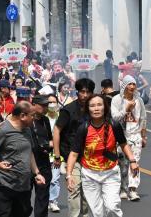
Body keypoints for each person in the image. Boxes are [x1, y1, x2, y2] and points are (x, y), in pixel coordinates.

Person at [66, 94, 139, 217]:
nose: (96, 108)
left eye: (99, 105)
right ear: (88, 109)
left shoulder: (114, 125)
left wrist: (132, 161)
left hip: (110, 173)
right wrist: (69, 175)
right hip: (89, 175)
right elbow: (73, 154)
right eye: (92, 106)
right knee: (97, 213)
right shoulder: (83, 128)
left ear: (105, 107)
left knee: (112, 208)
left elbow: (124, 144)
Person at [0, 101, 46, 217]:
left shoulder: (27, 130)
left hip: (23, 186)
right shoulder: (3, 130)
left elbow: (29, 152)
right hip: (3, 185)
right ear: (22, 116)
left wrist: (37, 173)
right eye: (32, 115)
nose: (35, 118)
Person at [53, 78, 95, 217]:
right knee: (74, 189)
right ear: (77, 92)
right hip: (72, 156)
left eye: (88, 92)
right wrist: (57, 156)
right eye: (82, 92)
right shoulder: (68, 110)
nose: (85, 95)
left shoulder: (95, 110)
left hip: (91, 156)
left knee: (87, 192)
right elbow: (57, 130)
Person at [111, 75, 147, 202]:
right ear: (124, 86)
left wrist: (143, 136)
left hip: (135, 136)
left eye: (134, 84)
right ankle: (122, 188)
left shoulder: (139, 100)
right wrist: (126, 109)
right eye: (129, 84)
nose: (132, 87)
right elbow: (115, 118)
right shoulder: (116, 100)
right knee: (122, 164)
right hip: (121, 137)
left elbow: (143, 118)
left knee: (134, 162)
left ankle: (132, 189)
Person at [30, 96, 54, 217]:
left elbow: (50, 138)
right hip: (28, 163)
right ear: (34, 104)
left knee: (43, 197)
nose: (46, 108)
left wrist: (50, 145)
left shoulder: (45, 120)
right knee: (23, 198)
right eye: (43, 105)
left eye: (47, 105)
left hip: (43, 162)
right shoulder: (26, 119)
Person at [44, 94, 63, 213]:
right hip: (44, 152)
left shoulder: (61, 117)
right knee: (45, 179)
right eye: (49, 102)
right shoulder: (42, 117)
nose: (51, 104)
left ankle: (53, 201)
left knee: (55, 178)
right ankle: (45, 200)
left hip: (57, 152)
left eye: (54, 102)